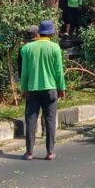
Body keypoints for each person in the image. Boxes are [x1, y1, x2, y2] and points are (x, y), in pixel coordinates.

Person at [20, 20, 65, 161]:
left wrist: (23, 88)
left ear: (39, 32)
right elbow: (59, 71)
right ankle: (50, 152)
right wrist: (62, 88)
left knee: (31, 120)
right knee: (50, 120)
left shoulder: (26, 48)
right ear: (52, 33)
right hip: (50, 89)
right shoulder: (55, 48)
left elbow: (24, 72)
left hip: (32, 90)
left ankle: (29, 152)